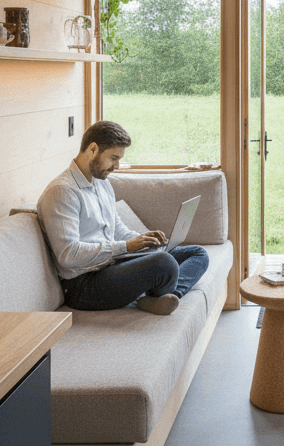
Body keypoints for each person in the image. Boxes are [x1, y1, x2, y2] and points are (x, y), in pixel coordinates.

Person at [38, 120, 209, 315]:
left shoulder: (101, 183)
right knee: (164, 262)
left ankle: (163, 299)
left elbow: (116, 229)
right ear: (93, 149)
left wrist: (144, 241)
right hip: (82, 284)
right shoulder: (62, 191)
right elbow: (68, 255)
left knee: (197, 253)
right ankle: (160, 296)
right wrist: (126, 247)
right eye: (113, 158)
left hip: (111, 265)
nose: (117, 166)